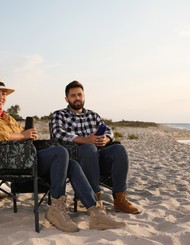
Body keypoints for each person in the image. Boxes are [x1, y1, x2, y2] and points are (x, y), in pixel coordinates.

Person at [0, 76, 126, 232]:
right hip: (7, 162)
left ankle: (96, 212)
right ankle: (56, 208)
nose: (0, 97)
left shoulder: (8, 118)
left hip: (24, 158)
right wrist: (22, 136)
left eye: (3, 93)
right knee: (60, 152)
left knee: (72, 164)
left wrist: (29, 135)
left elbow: (24, 137)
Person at [51, 80, 142, 214]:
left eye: (80, 95)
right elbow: (58, 133)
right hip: (76, 159)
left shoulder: (93, 115)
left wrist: (106, 139)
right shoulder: (59, 115)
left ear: (84, 96)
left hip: (97, 157)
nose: (77, 98)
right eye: (73, 95)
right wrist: (85, 140)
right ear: (67, 98)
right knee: (88, 147)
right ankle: (94, 200)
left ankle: (119, 199)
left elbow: (109, 130)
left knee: (119, 149)